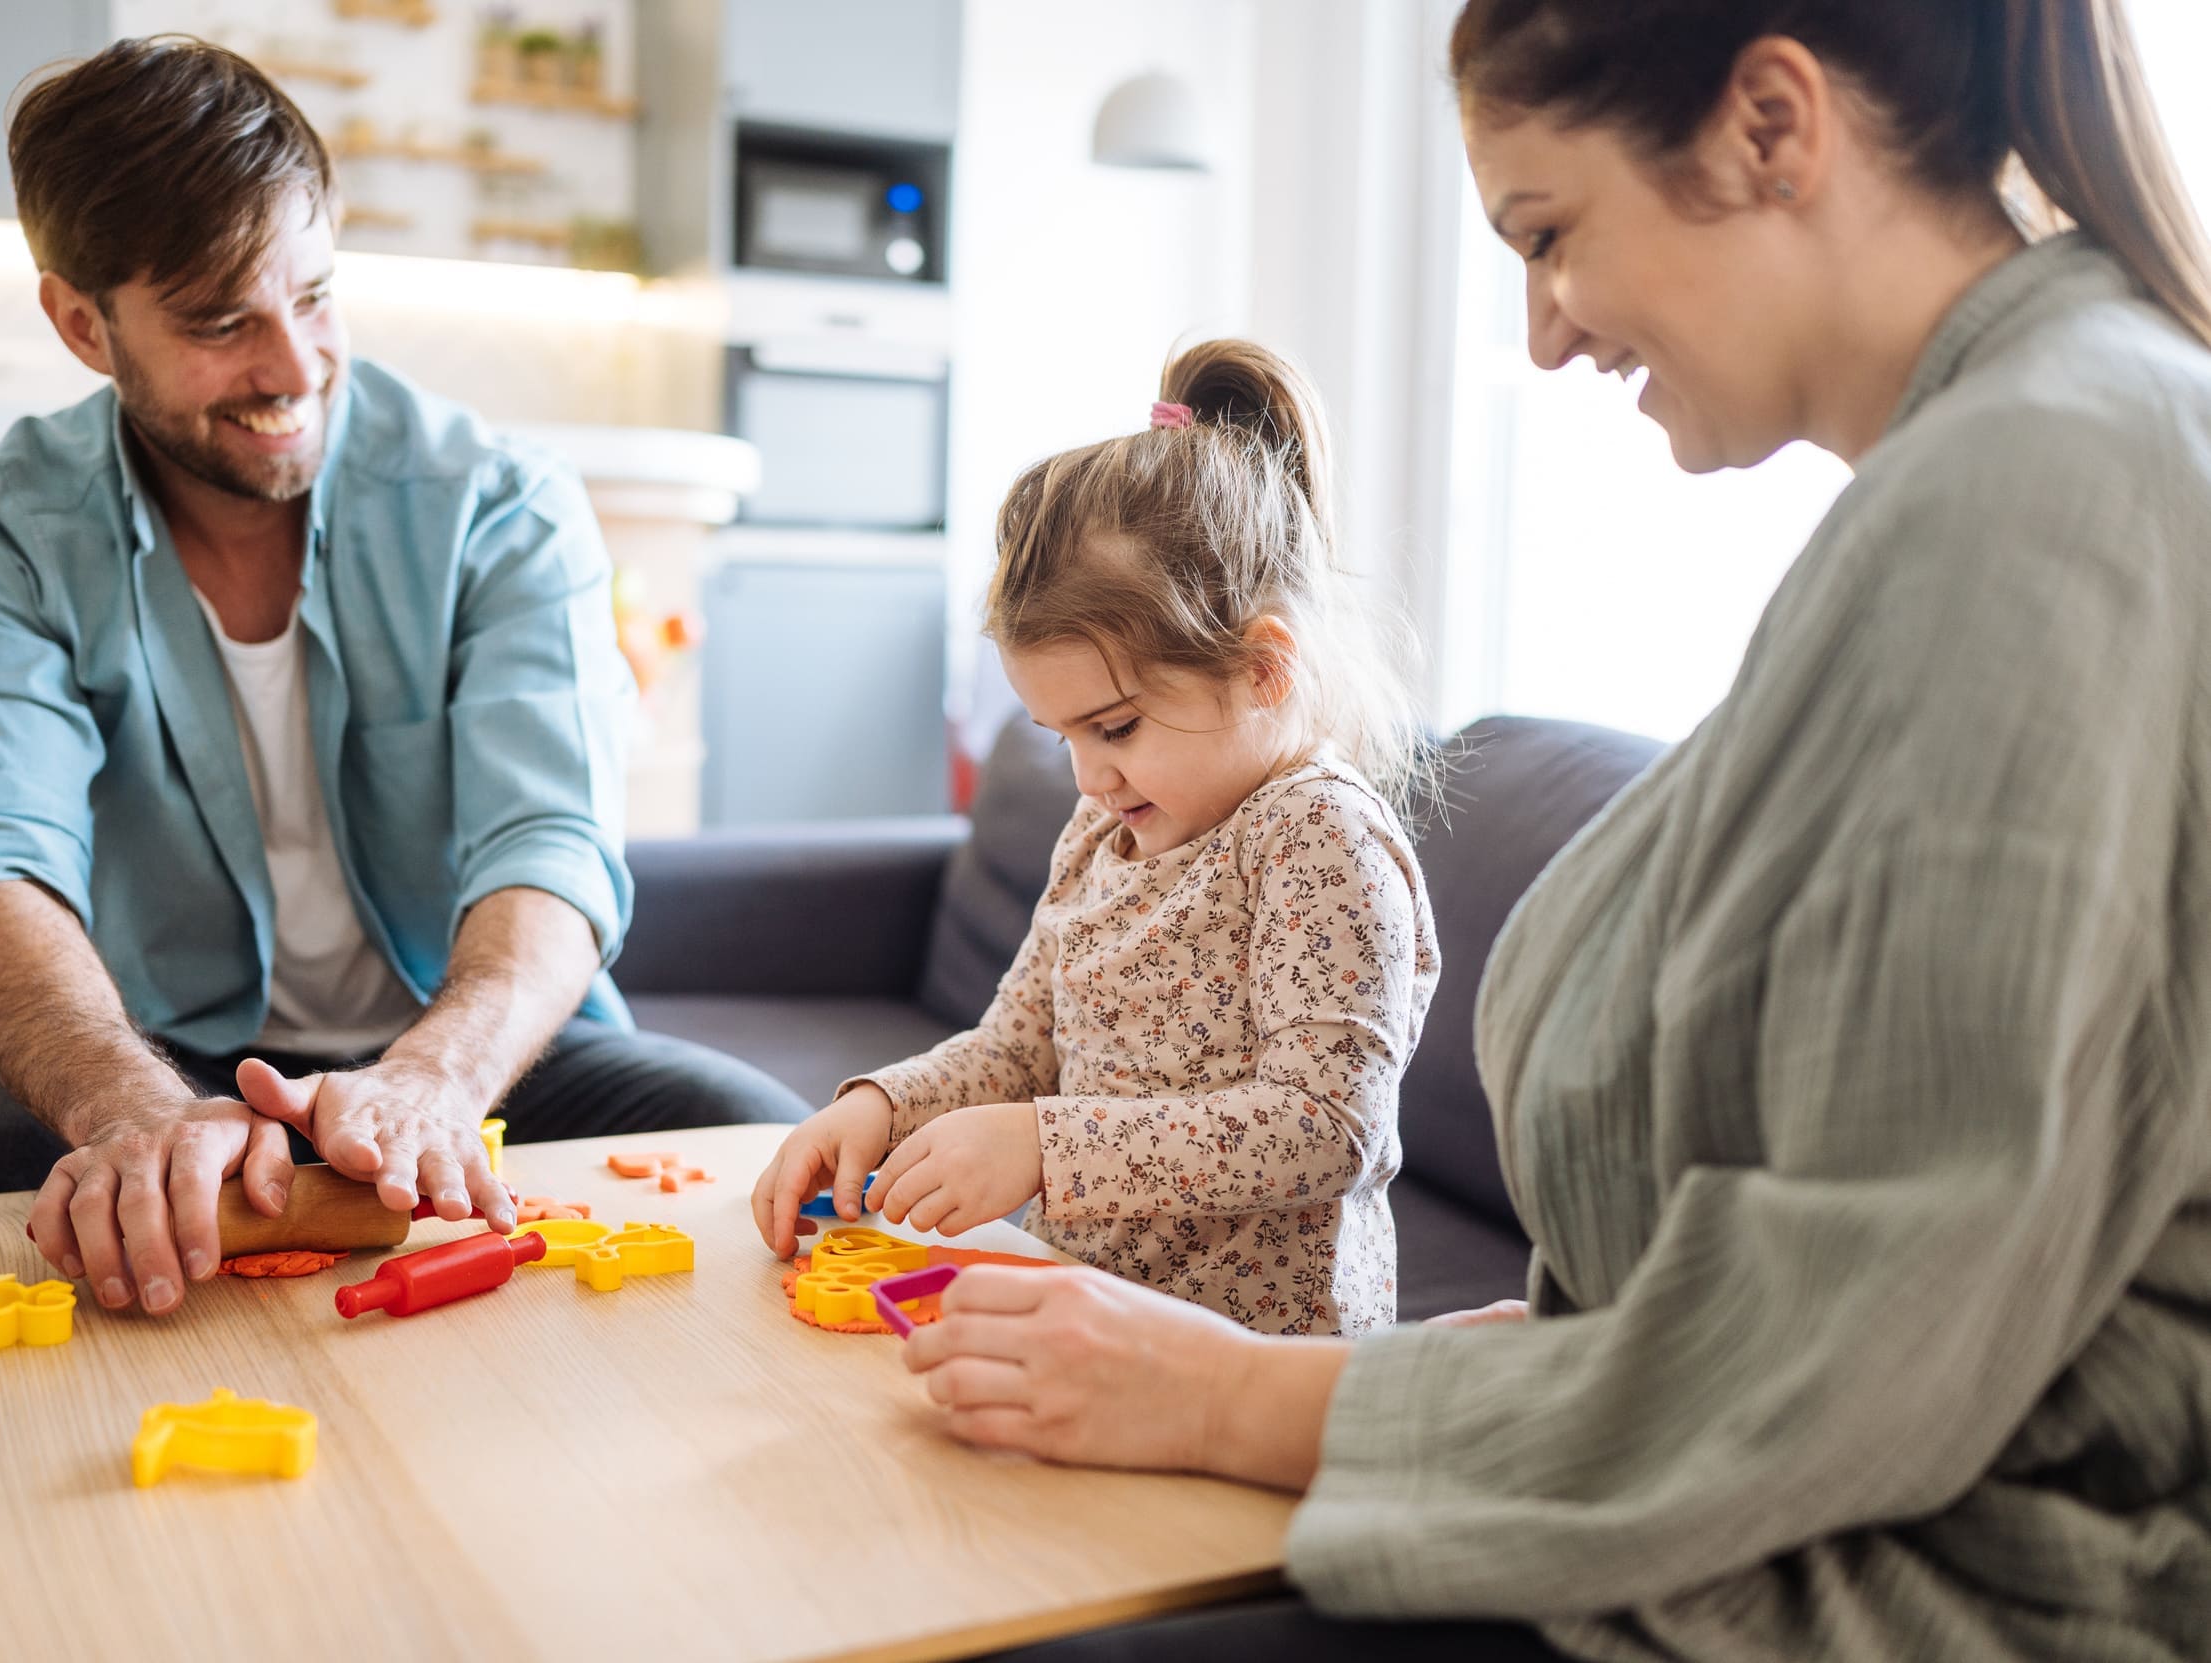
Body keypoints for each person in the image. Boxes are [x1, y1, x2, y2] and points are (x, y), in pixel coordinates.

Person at [909, 3, 2211, 1659]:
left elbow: (1834, 1352)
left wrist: (1229, 1393)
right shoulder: (1995, 465)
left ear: (1772, 124)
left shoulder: (2038, 496)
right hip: (1711, 1469)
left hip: (1877, 1579)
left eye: (1550, 234)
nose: (1540, 333)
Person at [0, 37, 805, 1321]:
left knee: (751, 1131)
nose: (296, 367)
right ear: (83, 323)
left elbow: (549, 849)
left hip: (471, 1054)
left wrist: (431, 1077)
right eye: (220, 322)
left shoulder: (498, 504)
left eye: (314, 297)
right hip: (163, 1060)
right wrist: (136, 1112)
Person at [752, 340, 1440, 1338]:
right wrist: (882, 1106)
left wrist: (1046, 1148)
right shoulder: (1101, 828)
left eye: (1113, 727)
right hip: (1094, 1326)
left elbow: (1325, 1125)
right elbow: (1018, 1048)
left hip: (1256, 1367)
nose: (1087, 773)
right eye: (1062, 734)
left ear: (1262, 668)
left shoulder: (1318, 839)